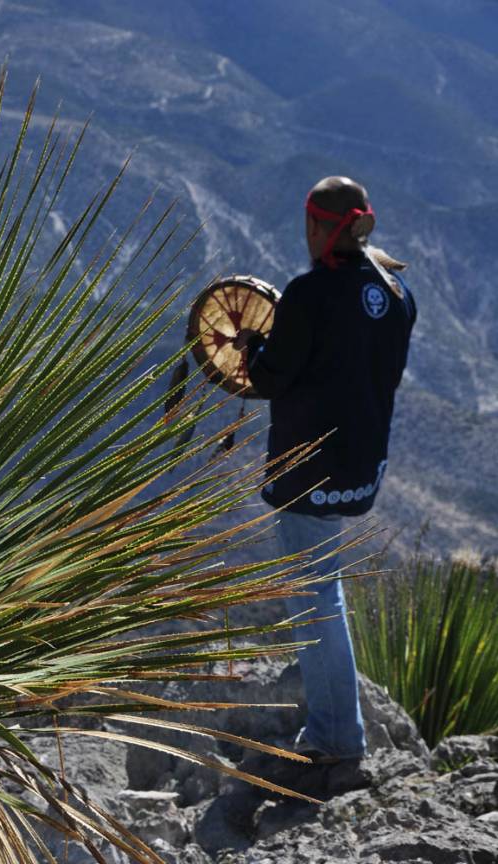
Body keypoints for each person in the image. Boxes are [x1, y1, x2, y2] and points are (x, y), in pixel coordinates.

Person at [235, 175, 416, 763]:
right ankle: (340, 723)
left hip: (307, 469)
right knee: (324, 588)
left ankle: (337, 737)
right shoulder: (395, 292)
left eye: (308, 223)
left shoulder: (308, 293)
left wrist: (249, 349)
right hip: (361, 466)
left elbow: (268, 379)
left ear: (319, 226)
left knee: (315, 597)